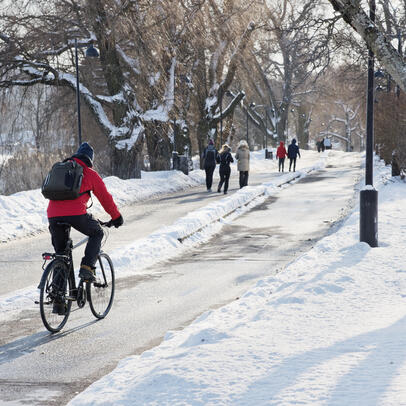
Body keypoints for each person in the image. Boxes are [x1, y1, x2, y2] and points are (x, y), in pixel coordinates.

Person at [47, 142, 123, 286]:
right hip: (76, 214)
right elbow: (105, 198)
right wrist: (116, 217)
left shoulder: (61, 169)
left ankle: (58, 299)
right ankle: (87, 268)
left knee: (61, 254)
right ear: (90, 160)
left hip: (53, 215)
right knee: (97, 233)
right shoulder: (90, 173)